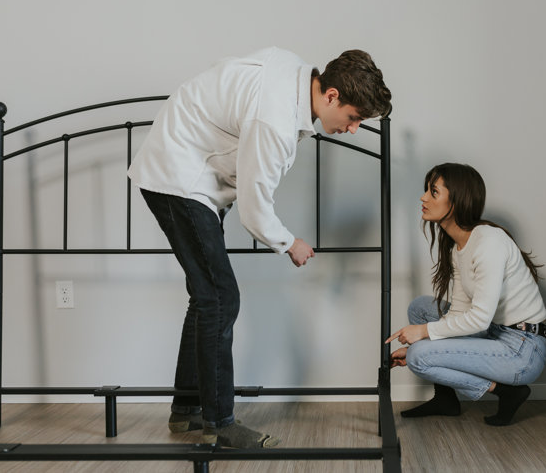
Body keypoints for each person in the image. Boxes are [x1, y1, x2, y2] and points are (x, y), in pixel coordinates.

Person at [128, 47, 391, 447]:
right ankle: (221, 425)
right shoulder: (276, 119)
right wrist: (290, 243)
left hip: (188, 170)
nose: (354, 128)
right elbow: (254, 210)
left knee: (206, 297)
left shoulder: (294, 77)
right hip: (179, 175)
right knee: (220, 297)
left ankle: (185, 411)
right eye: (354, 118)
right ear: (332, 95)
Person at [386, 163, 546, 426]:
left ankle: (507, 391)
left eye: (433, 192)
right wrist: (426, 340)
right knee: (421, 308)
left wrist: (423, 338)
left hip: (522, 349)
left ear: (457, 200)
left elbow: (479, 320)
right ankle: (446, 400)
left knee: (418, 356)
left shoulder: (489, 242)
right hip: (495, 331)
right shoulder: (460, 247)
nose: (423, 197)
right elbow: (461, 312)